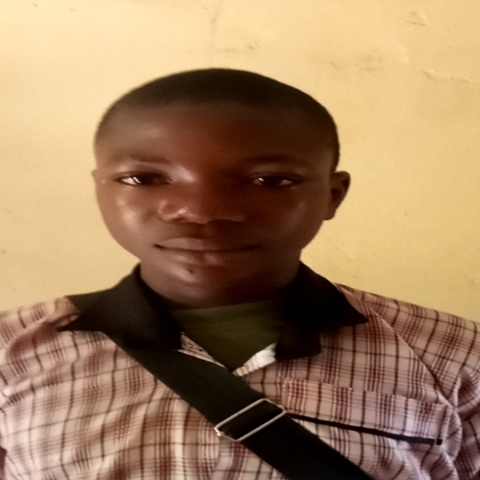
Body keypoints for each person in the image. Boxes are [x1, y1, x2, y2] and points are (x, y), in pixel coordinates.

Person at [0, 68, 479, 480]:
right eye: (144, 179)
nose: (201, 211)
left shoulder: (457, 359)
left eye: (268, 181)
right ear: (100, 189)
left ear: (332, 195)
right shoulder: (11, 353)